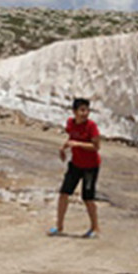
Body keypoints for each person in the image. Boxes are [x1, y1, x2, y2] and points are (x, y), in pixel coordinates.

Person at [48, 98, 102, 239]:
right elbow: (71, 138)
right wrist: (64, 147)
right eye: (82, 110)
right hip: (76, 164)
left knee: (88, 198)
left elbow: (96, 146)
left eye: (87, 110)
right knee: (64, 193)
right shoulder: (70, 123)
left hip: (90, 167)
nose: (85, 113)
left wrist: (76, 144)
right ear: (74, 112)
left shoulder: (92, 126)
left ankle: (95, 227)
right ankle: (59, 226)